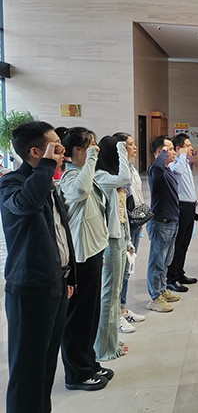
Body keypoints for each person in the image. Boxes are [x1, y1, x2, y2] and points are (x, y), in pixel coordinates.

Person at [0, 121, 76, 413]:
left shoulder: (48, 182)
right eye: (56, 147)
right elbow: (27, 203)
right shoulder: (12, 183)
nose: (62, 151)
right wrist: (46, 166)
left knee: (45, 367)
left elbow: (60, 231)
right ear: (36, 152)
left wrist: (69, 276)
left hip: (55, 284)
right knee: (27, 372)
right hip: (30, 289)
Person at [56, 127, 113, 391]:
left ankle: (89, 362)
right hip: (79, 257)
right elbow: (80, 191)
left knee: (90, 313)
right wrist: (91, 159)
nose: (96, 149)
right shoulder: (70, 177)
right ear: (77, 150)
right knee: (78, 315)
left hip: (93, 252)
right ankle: (76, 373)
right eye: (90, 145)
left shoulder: (84, 173)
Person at [94, 136, 131, 361]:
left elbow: (121, 213)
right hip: (111, 241)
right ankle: (103, 349)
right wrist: (121, 148)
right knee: (110, 293)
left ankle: (111, 341)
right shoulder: (101, 177)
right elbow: (125, 177)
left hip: (120, 238)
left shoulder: (109, 177)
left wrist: (129, 241)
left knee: (115, 293)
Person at [113, 132, 146, 332]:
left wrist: (142, 218)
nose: (135, 147)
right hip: (124, 224)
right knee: (121, 271)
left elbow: (137, 195)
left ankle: (123, 308)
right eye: (130, 144)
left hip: (135, 221)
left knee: (128, 269)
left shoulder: (132, 169)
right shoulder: (119, 171)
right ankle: (116, 314)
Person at [146, 136, 180, 312]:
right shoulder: (155, 171)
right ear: (160, 152)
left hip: (171, 222)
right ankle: (155, 298)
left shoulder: (167, 170)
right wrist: (162, 155)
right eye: (170, 149)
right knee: (157, 262)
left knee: (166, 260)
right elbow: (157, 167)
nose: (174, 152)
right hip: (161, 223)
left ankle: (162, 289)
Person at [166, 133, 198, 293]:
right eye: (187, 146)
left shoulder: (185, 162)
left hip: (190, 207)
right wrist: (182, 155)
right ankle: (171, 278)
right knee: (178, 243)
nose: (191, 148)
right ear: (178, 148)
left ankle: (180, 272)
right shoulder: (174, 164)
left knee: (185, 243)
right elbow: (177, 172)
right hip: (181, 207)